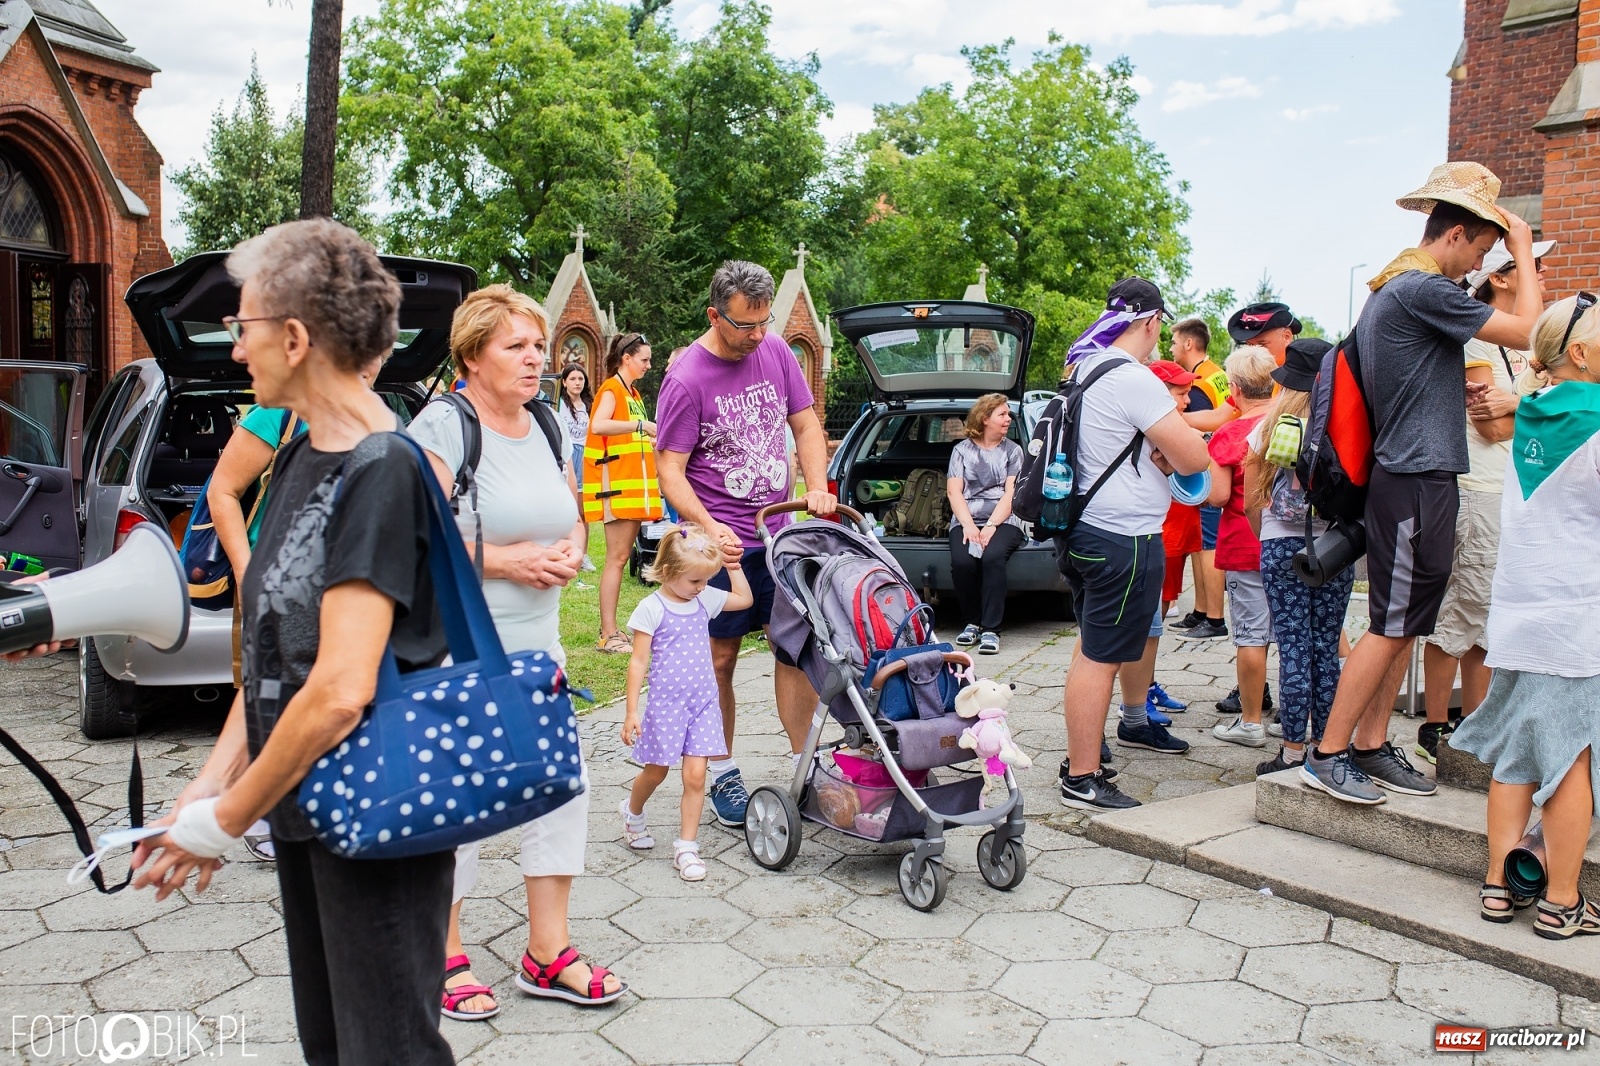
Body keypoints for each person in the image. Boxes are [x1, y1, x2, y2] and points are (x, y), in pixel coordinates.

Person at [130, 219, 454, 1064]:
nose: (237, 352)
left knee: (387, 1051)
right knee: (331, 1047)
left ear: (297, 337)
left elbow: (342, 689)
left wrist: (223, 821)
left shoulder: (383, 468)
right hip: (308, 813)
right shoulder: (305, 456)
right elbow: (276, 661)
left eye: (244, 329)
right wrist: (206, 786)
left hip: (378, 815)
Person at [409, 286, 622, 1016]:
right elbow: (416, 537)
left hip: (540, 648)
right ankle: (443, 953)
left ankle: (546, 952)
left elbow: (573, 515)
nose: (537, 360)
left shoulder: (545, 422)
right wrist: (505, 563)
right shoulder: (442, 425)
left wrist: (569, 549)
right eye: (517, 347)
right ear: (471, 355)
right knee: (461, 801)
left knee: (559, 791)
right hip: (460, 649)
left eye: (540, 347)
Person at [1303, 161, 1544, 805]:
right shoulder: (1422, 287)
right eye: (1485, 248)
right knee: (1389, 623)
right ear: (1460, 233)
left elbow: (1403, 380)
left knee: (1406, 621)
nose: (1482, 264)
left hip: (1415, 474)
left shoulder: (1399, 290)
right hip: (1413, 478)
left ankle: (1371, 745)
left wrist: (1444, 389)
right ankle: (1327, 754)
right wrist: (1522, 251)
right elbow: (1535, 337)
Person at [654, 260, 836, 827]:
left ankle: (803, 766)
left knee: (793, 650)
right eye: (744, 326)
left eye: (764, 324)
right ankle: (723, 771)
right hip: (718, 545)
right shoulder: (685, 376)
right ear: (715, 315)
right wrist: (708, 525)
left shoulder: (776, 352)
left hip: (780, 537)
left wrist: (816, 487)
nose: (757, 336)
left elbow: (806, 424)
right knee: (720, 657)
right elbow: (671, 470)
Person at [1451, 294, 1600, 937]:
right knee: (1569, 760)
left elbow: (1521, 405)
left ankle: (1495, 886)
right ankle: (1562, 902)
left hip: (1519, 610)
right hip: (1576, 617)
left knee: (1516, 755)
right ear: (1582, 353)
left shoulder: (1534, 411)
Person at [1055, 278, 1210, 813]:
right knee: (1102, 657)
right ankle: (1082, 776)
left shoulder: (1086, 369)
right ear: (1151, 322)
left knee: (1089, 645)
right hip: (1123, 537)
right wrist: (1173, 449)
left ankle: (1081, 755)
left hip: (1083, 529)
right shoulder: (1134, 380)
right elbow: (1195, 460)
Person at [1417, 238, 1553, 764]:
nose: (1539, 273)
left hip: (1510, 494)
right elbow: (1493, 427)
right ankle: (1434, 726)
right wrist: (1540, 407)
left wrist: (1523, 402)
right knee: (1462, 610)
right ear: (1499, 277)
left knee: (1488, 620)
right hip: (1480, 491)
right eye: (1529, 265)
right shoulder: (1476, 344)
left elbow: (1513, 412)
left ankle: (1475, 726)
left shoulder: (1524, 349)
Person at [1245, 339, 1355, 775]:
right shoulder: (1346, 424)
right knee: (1326, 648)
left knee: (1293, 647)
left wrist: (1266, 535)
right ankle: (1324, 745)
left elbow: (1253, 497)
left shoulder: (1271, 426)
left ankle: (1290, 751)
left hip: (1281, 544)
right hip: (1335, 547)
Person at [620, 526, 755, 879]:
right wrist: (632, 711)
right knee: (657, 772)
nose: (701, 587)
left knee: (695, 777)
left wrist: (732, 565)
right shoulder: (652, 608)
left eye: (705, 580)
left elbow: (744, 600)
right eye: (695, 580)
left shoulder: (704, 598)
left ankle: (687, 848)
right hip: (666, 707)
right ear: (667, 572)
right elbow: (638, 662)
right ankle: (632, 812)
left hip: (703, 703)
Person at [206, 400, 307, 861]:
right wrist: (246, 571)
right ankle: (259, 810)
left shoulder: (379, 414)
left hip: (334, 581)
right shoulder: (275, 417)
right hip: (272, 580)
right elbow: (222, 491)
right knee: (268, 694)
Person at [1205, 346, 1278, 748]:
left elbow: (1217, 496)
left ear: (1234, 388)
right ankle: (1304, 713)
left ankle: (1251, 722)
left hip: (1244, 544)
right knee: (1299, 631)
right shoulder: (1291, 421)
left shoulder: (1230, 433)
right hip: (1292, 543)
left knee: (1252, 635)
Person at [586, 332, 663, 653]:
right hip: (616, 490)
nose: (648, 365)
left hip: (630, 491)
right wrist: (641, 426)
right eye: (644, 359)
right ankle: (608, 634)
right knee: (616, 560)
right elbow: (599, 425)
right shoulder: (612, 388)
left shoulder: (631, 392)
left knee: (618, 560)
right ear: (626, 358)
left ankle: (613, 632)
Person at [1165, 318, 1230, 640]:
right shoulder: (1216, 374)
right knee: (1203, 543)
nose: (1172, 347)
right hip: (1217, 468)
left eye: (1175, 342)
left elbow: (1199, 430)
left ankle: (1213, 617)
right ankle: (1202, 611)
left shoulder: (1200, 383)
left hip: (1208, 473)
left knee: (1207, 544)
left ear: (1189, 344)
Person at [946, 392, 1025, 654]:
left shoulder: (1013, 451)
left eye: (1008, 414)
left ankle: (991, 629)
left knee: (992, 558)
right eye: (1002, 414)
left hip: (1005, 519)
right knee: (963, 561)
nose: (1008, 419)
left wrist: (991, 526)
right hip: (967, 518)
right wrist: (968, 525)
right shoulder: (961, 451)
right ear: (984, 418)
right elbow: (954, 492)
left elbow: (1011, 493)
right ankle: (972, 622)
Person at [1147, 360, 1201, 722]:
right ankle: (1137, 699)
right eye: (1180, 394)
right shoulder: (1155, 429)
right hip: (1159, 532)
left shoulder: (1174, 426)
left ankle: (1146, 684)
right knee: (1148, 620)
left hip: (1178, 528)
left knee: (1163, 608)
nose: (1186, 401)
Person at [557, 361, 598, 574]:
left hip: (584, 456)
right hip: (563, 455)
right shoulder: (558, 404)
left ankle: (582, 554)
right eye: (572, 378)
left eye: (581, 378)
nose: (577, 382)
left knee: (582, 510)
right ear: (564, 382)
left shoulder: (590, 405)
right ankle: (559, 550)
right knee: (560, 506)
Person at [1227, 301, 1302, 365]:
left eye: (1261, 345)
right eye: (1250, 345)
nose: (1253, 353)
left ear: (1287, 337)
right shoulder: (1244, 377)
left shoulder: (1309, 377)